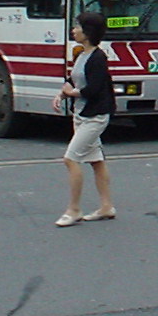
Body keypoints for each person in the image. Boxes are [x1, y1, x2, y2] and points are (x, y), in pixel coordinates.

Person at [53, 12, 117, 227]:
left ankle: (74, 209)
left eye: (77, 27)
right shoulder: (82, 55)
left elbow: (94, 89)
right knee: (96, 161)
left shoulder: (98, 58)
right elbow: (73, 80)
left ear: (88, 32)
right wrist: (62, 93)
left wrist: (71, 93)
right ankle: (106, 206)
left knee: (70, 159)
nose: (74, 30)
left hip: (95, 116)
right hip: (82, 114)